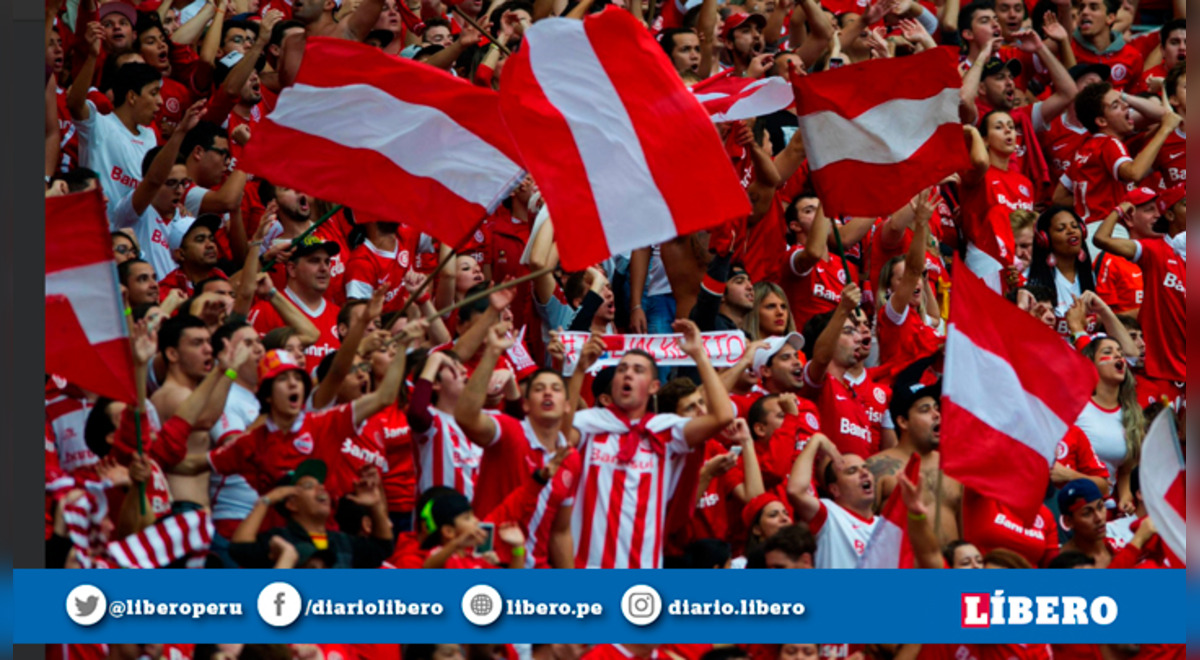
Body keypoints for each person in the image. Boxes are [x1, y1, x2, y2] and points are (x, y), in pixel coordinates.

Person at [565, 319, 734, 568]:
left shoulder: (665, 431)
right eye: (622, 369)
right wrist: (579, 369)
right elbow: (559, 437)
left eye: (638, 370)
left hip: (643, 570)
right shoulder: (590, 424)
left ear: (655, 387)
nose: (628, 374)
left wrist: (699, 354)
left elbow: (722, 416)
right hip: (588, 570)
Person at [453, 323, 578, 568]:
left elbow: (560, 532)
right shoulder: (509, 431)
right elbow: (466, 416)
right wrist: (492, 353)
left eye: (555, 389)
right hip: (488, 564)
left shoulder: (570, 458)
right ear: (527, 404)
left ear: (567, 405)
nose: (548, 394)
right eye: (539, 389)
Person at [1092, 184, 1184, 397]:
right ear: (1169, 214)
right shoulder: (1154, 250)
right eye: (1186, 205)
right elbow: (1101, 239)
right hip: (1160, 371)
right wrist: (1119, 210)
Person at [228, 459, 395, 568]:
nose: (321, 488)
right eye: (309, 486)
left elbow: (382, 547)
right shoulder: (280, 540)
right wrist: (266, 501)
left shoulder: (343, 541)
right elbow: (240, 549)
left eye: (321, 484)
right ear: (292, 503)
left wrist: (374, 505)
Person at [1056, 81, 1180, 222]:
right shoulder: (1109, 143)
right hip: (1108, 228)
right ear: (1102, 121)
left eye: (1122, 101)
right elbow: (1134, 173)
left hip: (1089, 229)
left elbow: (1059, 197)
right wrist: (1165, 129)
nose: (1126, 105)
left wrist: (1093, 201)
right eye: (1116, 105)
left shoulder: (1085, 149)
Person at [865, 375, 962, 545]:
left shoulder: (953, 467)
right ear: (903, 422)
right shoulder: (876, 468)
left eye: (936, 408)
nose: (936, 415)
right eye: (925, 410)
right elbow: (859, 530)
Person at [798, 283, 873, 457]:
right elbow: (822, 358)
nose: (857, 338)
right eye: (848, 331)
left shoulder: (856, 396)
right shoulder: (817, 382)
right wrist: (843, 309)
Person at [784, 432, 877, 569]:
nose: (864, 473)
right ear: (835, 490)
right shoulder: (829, 515)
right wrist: (816, 440)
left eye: (865, 468)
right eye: (852, 471)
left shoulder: (885, 526)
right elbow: (795, 491)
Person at [248, 235, 342, 361]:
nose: (324, 268)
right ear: (292, 269)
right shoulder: (264, 311)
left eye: (327, 262)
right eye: (314, 261)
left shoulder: (339, 316)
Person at [1069, 0, 1145, 90]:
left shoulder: (1132, 56)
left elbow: (1135, 96)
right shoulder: (1068, 47)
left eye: (1093, 8)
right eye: (1081, 9)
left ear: (1110, 18)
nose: (1084, 12)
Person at [1056, 478, 1115, 567]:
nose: (1099, 518)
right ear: (1068, 521)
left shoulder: (1118, 546)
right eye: (1087, 513)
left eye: (1101, 507)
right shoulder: (1062, 564)